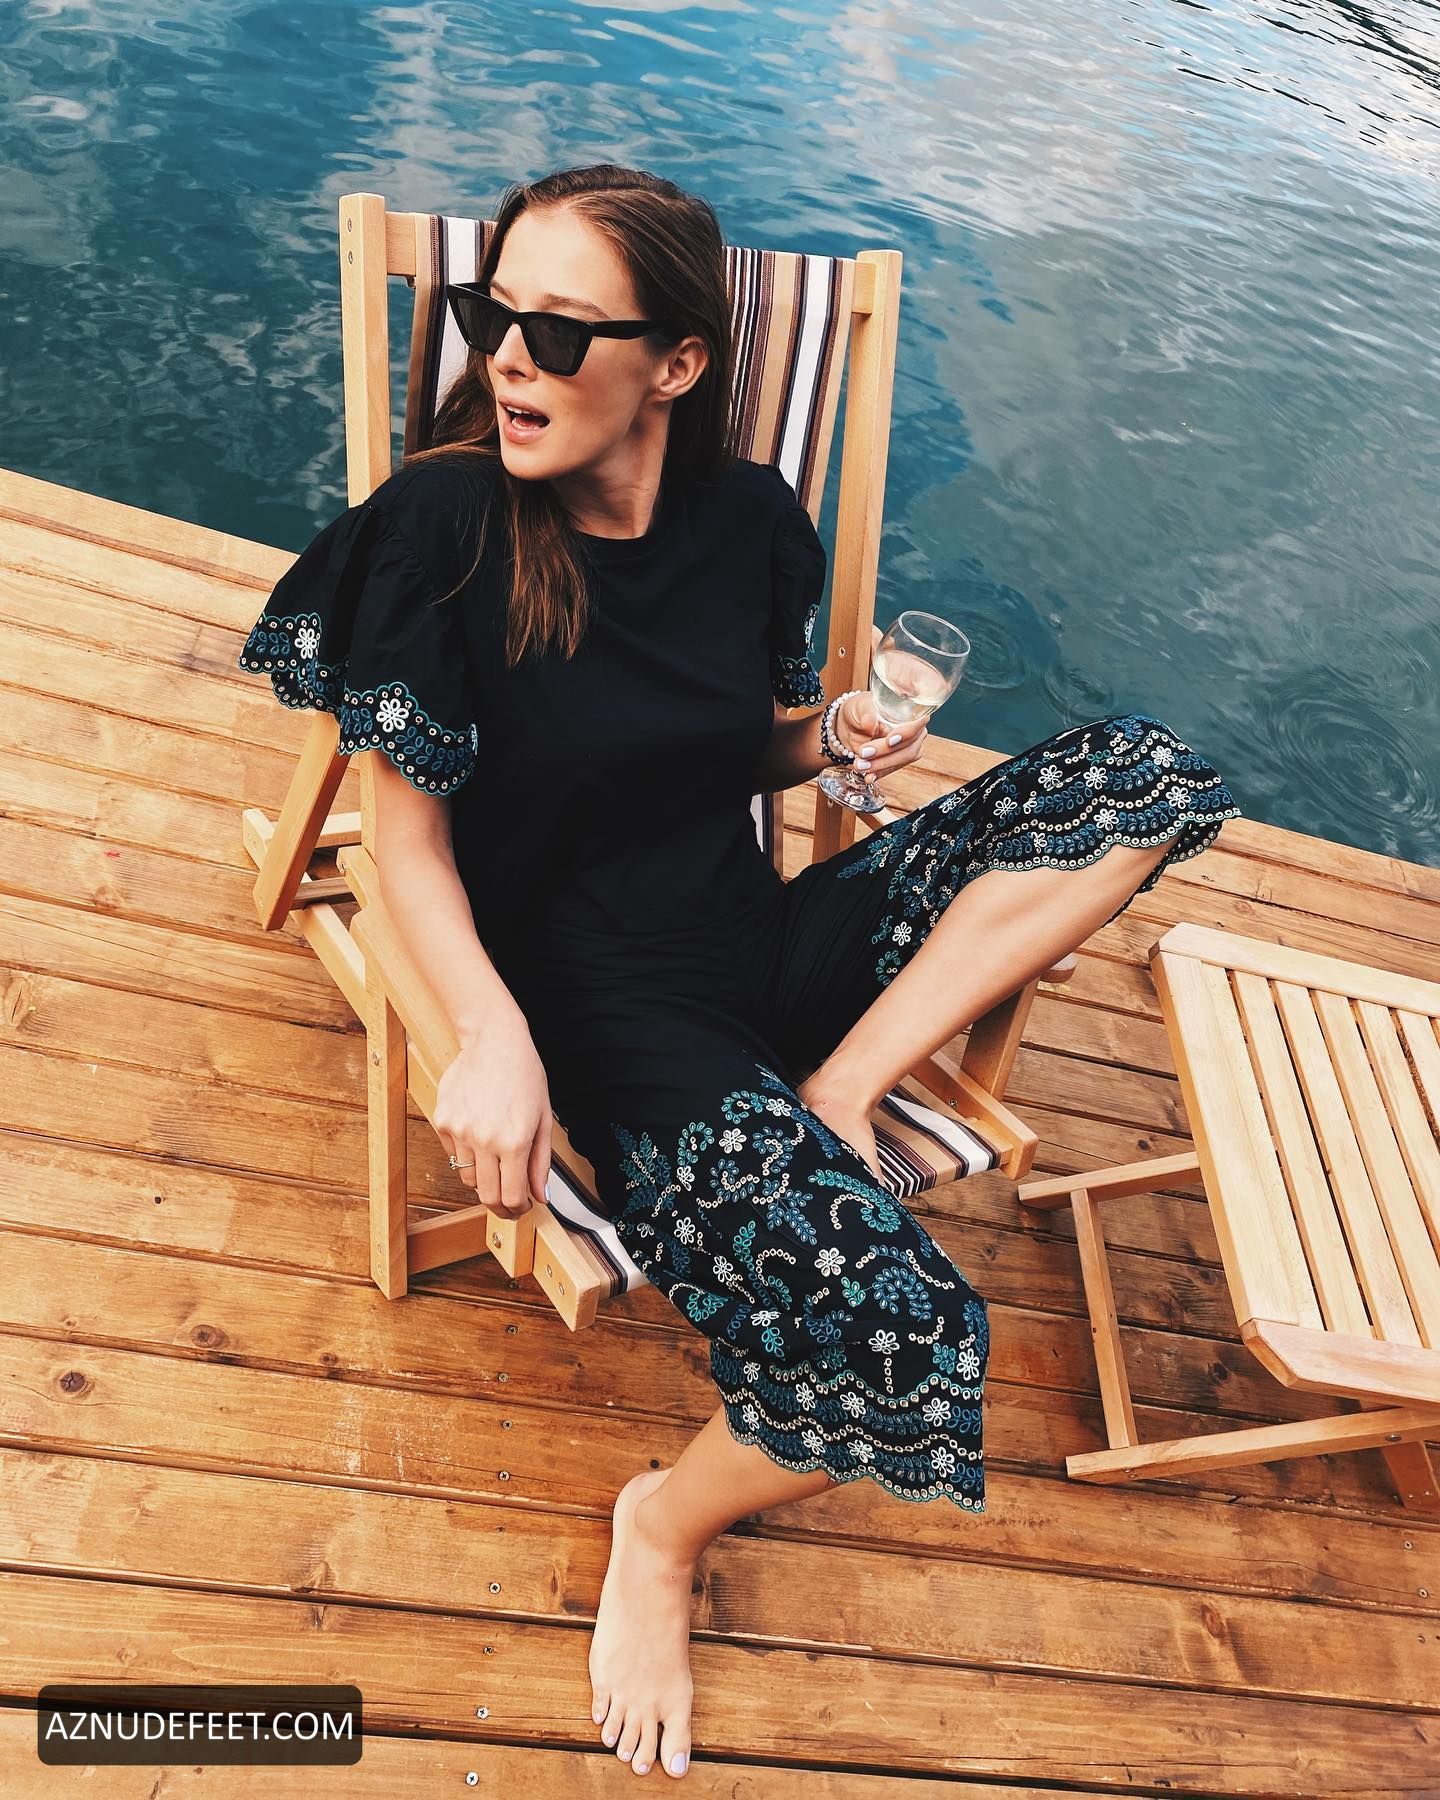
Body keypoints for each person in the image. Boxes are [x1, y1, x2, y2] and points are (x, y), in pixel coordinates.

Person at [239, 163, 1239, 1781]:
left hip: (759, 938)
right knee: (900, 1331)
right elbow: (405, 843)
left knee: (1140, 775)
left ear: (678, 363)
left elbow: (727, 753)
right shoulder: (443, 528)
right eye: (498, 315)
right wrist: (489, 1035)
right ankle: (662, 1525)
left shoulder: (753, 522)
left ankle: (844, 1082)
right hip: (607, 1014)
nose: (510, 357)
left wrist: (821, 737)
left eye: (564, 331)